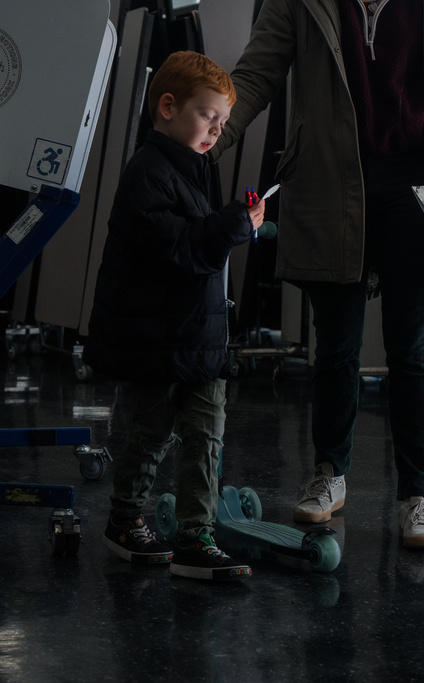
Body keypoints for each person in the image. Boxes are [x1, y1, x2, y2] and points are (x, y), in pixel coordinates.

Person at [209, 0, 424, 549]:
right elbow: (255, 76)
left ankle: (419, 498)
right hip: (329, 181)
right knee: (337, 344)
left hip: (417, 187)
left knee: (413, 348)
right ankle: (329, 474)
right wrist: (203, 139)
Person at [84, 51, 265, 580]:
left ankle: (195, 536)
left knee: (207, 432)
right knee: (155, 428)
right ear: (167, 107)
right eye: (208, 115)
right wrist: (235, 222)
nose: (215, 130)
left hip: (198, 331)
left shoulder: (192, 168)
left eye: (222, 122)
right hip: (162, 335)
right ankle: (124, 518)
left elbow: (197, 247)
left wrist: (235, 224)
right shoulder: (147, 172)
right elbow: (182, 249)